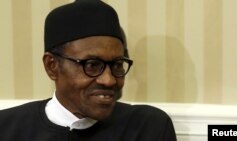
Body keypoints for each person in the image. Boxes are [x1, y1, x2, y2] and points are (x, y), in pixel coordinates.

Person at [0, 0, 177, 140]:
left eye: (116, 65)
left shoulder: (147, 128)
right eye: (92, 65)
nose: (109, 80)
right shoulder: (7, 128)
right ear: (51, 66)